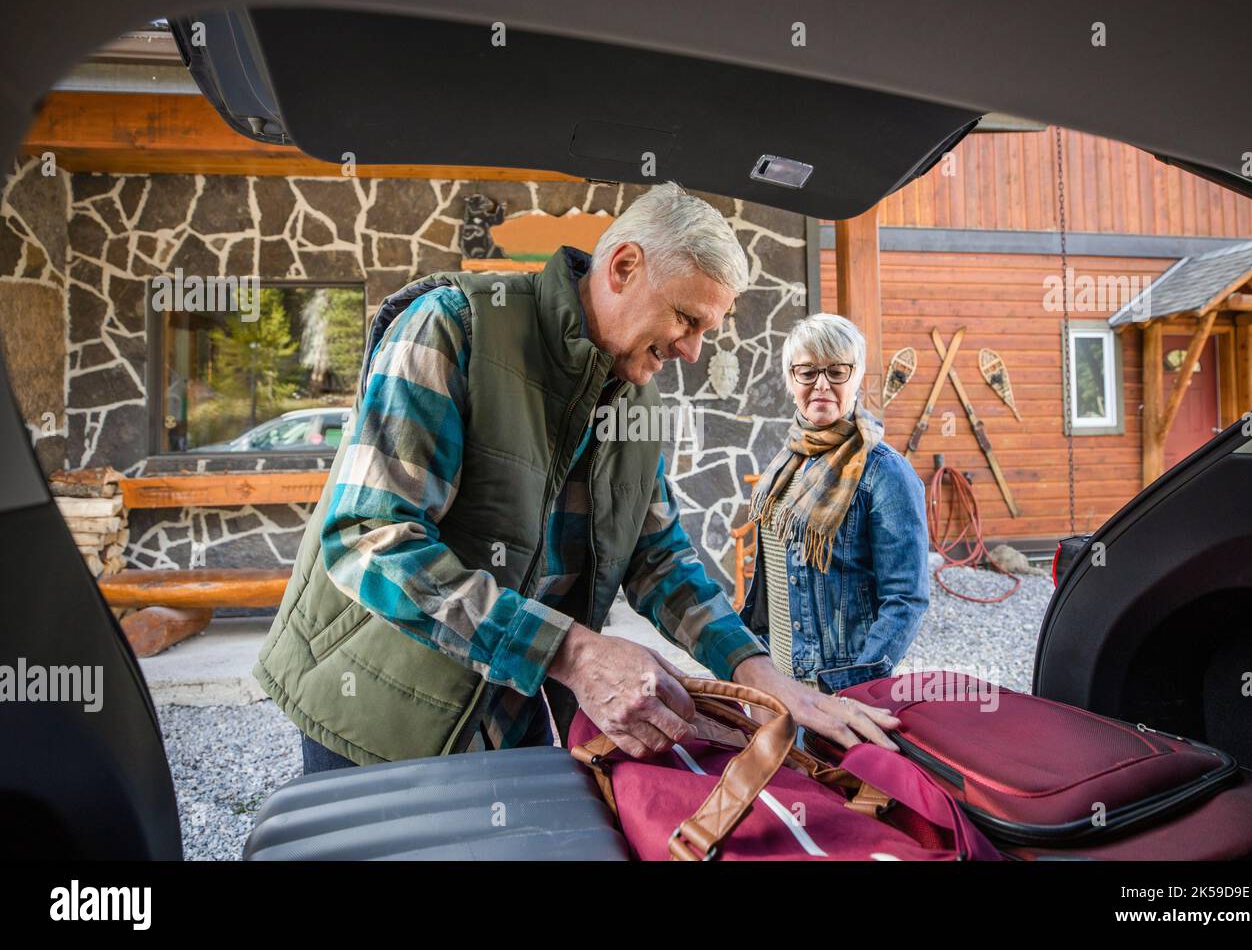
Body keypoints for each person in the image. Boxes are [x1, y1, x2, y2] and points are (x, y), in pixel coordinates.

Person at [252, 182, 902, 774]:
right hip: (377, 707)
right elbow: (366, 537)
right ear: (623, 267)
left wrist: (761, 674)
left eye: (708, 329)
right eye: (687, 318)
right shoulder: (452, 326)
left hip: (513, 694)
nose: (692, 350)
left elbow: (659, 560)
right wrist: (576, 655)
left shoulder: (638, 395)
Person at [740, 314, 930, 694]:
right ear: (791, 380)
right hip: (779, 688)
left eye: (836, 371)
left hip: (835, 691)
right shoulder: (787, 460)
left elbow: (906, 599)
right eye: (807, 371)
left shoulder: (885, 472)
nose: (821, 384)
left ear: (856, 376)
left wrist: (856, 690)